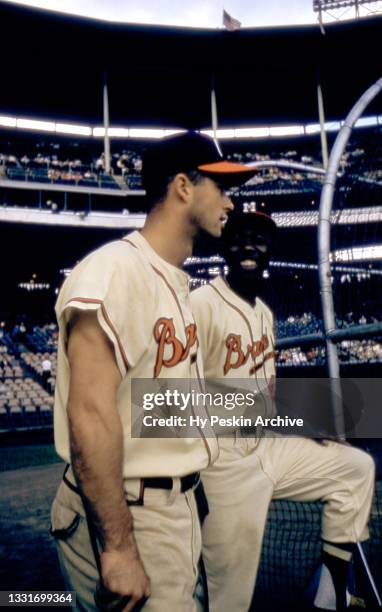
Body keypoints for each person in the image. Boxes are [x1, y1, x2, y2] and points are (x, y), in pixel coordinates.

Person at [50, 132, 257, 611]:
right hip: (128, 509)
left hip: (170, 505)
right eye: (221, 187)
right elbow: (91, 413)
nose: (230, 201)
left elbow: (150, 409)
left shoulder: (171, 281)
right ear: (183, 186)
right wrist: (120, 547)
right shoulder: (116, 270)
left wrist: (325, 413)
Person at [190, 211, 375, 612]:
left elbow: (266, 399)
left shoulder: (265, 315)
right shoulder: (199, 305)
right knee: (228, 599)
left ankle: (330, 597)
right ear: (225, 246)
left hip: (266, 446)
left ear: (269, 250)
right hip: (221, 463)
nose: (249, 246)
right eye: (239, 237)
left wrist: (304, 424)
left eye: (259, 238)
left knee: (355, 469)